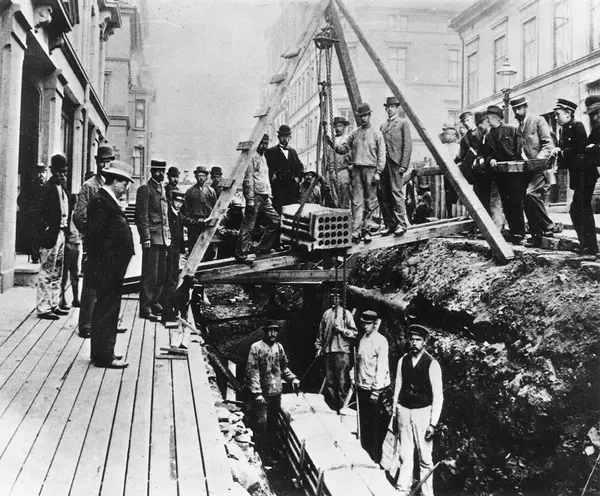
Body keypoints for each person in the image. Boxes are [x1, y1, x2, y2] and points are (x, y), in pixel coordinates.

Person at [87, 161, 135, 369]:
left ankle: (103, 352)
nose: (126, 188)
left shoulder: (107, 200)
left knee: (108, 308)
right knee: (107, 309)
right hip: (107, 268)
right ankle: (104, 356)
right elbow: (97, 238)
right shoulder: (100, 201)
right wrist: (109, 264)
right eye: (125, 183)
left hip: (111, 267)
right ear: (116, 181)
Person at [391, 324, 443, 496]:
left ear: (425, 342)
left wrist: (433, 423)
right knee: (405, 455)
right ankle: (402, 489)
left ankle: (427, 493)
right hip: (404, 411)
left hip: (422, 413)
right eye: (412, 339)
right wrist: (395, 413)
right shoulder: (403, 361)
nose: (414, 343)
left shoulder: (432, 364)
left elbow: (438, 396)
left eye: (418, 340)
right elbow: (398, 388)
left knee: (425, 458)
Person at [328, 103, 386, 243]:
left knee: (370, 202)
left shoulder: (377, 134)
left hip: (371, 170)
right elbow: (343, 149)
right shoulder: (355, 133)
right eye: (361, 116)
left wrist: (378, 172)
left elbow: (381, 154)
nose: (363, 118)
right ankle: (356, 231)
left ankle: (367, 230)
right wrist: (332, 144)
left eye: (365, 115)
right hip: (357, 170)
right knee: (356, 202)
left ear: (369, 116)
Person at [74, 144, 115, 337]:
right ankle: (86, 324)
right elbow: (79, 216)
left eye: (108, 162)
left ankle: (105, 322)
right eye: (101, 162)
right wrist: (92, 234)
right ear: (97, 163)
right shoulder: (89, 186)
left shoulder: (113, 186)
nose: (105, 165)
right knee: (91, 284)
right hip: (95, 243)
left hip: (110, 244)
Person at [246, 321, 300, 462]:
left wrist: (292, 378)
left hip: (276, 392)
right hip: (262, 395)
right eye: (270, 331)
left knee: (273, 425)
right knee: (261, 425)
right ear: (265, 332)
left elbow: (284, 368)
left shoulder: (279, 347)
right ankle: (261, 455)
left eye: (275, 331)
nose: (273, 334)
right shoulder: (256, 347)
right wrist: (257, 393)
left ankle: (272, 452)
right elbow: (252, 371)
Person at [552, 98, 599, 255]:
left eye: (558, 114)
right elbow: (566, 147)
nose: (556, 117)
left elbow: (579, 148)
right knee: (579, 209)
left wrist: (562, 152)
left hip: (586, 173)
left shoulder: (577, 126)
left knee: (580, 209)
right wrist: (558, 148)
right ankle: (586, 245)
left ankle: (590, 247)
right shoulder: (563, 130)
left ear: (568, 113)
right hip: (578, 174)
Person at [511, 96, 558, 247]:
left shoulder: (538, 121)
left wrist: (538, 159)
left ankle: (548, 225)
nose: (516, 112)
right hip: (526, 169)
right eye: (514, 109)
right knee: (526, 200)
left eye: (519, 108)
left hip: (540, 167)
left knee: (531, 194)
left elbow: (548, 144)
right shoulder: (518, 128)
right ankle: (536, 235)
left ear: (526, 107)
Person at [30, 154, 71, 320]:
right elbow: (33, 213)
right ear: (53, 171)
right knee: (47, 271)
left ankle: (54, 304)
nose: (63, 175)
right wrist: (46, 229)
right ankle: (43, 307)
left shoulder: (63, 189)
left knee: (57, 272)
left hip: (61, 233)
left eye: (65, 171)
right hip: (51, 236)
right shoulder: (46, 189)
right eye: (60, 172)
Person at [135, 159, 171, 321]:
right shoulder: (145, 189)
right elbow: (141, 216)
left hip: (163, 238)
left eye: (163, 171)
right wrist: (146, 237)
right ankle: (145, 307)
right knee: (150, 275)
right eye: (157, 171)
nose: (161, 174)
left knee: (161, 274)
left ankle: (155, 301)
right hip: (152, 238)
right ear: (152, 172)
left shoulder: (162, 188)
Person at [235, 134, 280, 263]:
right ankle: (241, 254)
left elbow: (266, 179)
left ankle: (262, 248)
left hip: (264, 196)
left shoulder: (263, 157)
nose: (264, 146)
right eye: (262, 143)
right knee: (249, 226)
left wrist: (269, 195)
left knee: (276, 220)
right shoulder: (252, 157)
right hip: (255, 196)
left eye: (266, 143)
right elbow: (248, 179)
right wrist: (250, 199)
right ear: (257, 143)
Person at [484, 105, 526, 244]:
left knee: (516, 202)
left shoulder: (510, 130)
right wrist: (491, 160)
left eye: (490, 117)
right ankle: (513, 232)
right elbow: (487, 154)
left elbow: (519, 149)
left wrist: (516, 163)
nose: (488, 120)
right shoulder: (488, 136)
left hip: (513, 173)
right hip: (500, 174)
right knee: (506, 203)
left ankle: (519, 232)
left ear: (497, 118)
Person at [353, 309, 390, 462]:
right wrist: (354, 378)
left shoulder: (381, 341)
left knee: (375, 426)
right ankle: (365, 455)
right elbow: (359, 362)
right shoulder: (363, 339)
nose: (365, 327)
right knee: (364, 424)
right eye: (363, 324)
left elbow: (382, 367)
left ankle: (375, 458)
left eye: (368, 324)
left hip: (374, 391)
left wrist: (376, 390)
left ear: (375, 324)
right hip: (362, 387)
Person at [315, 288, 357, 411]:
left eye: (337, 297)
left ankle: (343, 407)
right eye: (332, 297)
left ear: (341, 299)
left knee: (342, 381)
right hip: (329, 352)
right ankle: (333, 407)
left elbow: (354, 333)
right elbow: (321, 334)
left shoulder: (346, 314)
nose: (335, 300)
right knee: (330, 382)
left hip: (342, 352)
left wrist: (342, 330)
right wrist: (319, 347)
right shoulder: (326, 314)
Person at [379, 97, 412, 236]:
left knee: (397, 193)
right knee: (385, 195)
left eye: (392, 106)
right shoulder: (383, 126)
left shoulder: (403, 123)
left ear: (397, 108)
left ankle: (401, 224)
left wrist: (403, 164)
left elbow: (407, 145)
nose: (390, 109)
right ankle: (390, 224)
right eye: (388, 107)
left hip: (396, 163)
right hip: (384, 164)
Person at [473, 111, 505, 231]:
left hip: (497, 173)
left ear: (487, 121)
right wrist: (479, 158)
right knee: (489, 201)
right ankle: (491, 228)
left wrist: (489, 159)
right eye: (477, 124)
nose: (479, 126)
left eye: (481, 123)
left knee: (496, 202)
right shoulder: (482, 137)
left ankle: (498, 228)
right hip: (486, 175)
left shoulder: (495, 134)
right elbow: (481, 153)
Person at [265, 125, 304, 215]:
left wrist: (298, 177)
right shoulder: (270, 151)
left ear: (290, 137)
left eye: (287, 136)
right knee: (278, 210)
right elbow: (267, 167)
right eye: (283, 136)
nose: (285, 139)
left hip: (291, 188)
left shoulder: (293, 151)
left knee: (291, 211)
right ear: (278, 137)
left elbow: (299, 166)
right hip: (278, 187)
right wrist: (272, 175)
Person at [160, 190, 186, 326]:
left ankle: (172, 310)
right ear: (172, 201)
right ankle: (167, 313)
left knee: (174, 279)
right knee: (169, 280)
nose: (179, 204)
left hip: (176, 251)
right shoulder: (169, 214)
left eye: (181, 202)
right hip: (169, 250)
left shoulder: (178, 214)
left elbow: (182, 231)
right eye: (177, 201)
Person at [181, 165, 217, 255]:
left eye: (203, 176)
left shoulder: (211, 191)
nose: (201, 178)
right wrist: (190, 221)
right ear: (196, 177)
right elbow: (185, 208)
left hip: (207, 222)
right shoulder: (190, 191)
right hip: (194, 223)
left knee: (207, 248)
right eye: (199, 176)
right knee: (193, 247)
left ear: (206, 177)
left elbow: (214, 207)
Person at [17, 162, 47, 263]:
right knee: (35, 236)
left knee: (43, 236)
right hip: (34, 216)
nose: (41, 175)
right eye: (39, 172)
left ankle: (42, 257)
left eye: (43, 172)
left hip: (44, 216)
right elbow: (21, 199)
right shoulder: (31, 185)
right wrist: (28, 209)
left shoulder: (47, 186)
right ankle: (35, 256)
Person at [58, 194, 81, 310]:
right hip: (70, 245)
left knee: (73, 273)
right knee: (67, 273)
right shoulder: (71, 216)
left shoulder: (75, 215)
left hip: (75, 245)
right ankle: (63, 300)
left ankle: (74, 299)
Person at [325, 116, 352, 209]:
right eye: (336, 126)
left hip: (342, 169)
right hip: (331, 170)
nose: (338, 128)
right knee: (331, 194)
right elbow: (326, 156)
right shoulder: (331, 140)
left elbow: (350, 155)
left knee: (344, 191)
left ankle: (345, 211)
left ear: (344, 127)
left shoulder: (347, 139)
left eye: (340, 126)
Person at [441, 123, 461, 217]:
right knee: (448, 193)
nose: (449, 136)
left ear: (456, 136)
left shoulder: (458, 146)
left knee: (457, 193)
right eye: (447, 134)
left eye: (452, 134)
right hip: (447, 173)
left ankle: (460, 214)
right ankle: (449, 214)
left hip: (457, 173)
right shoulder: (443, 147)